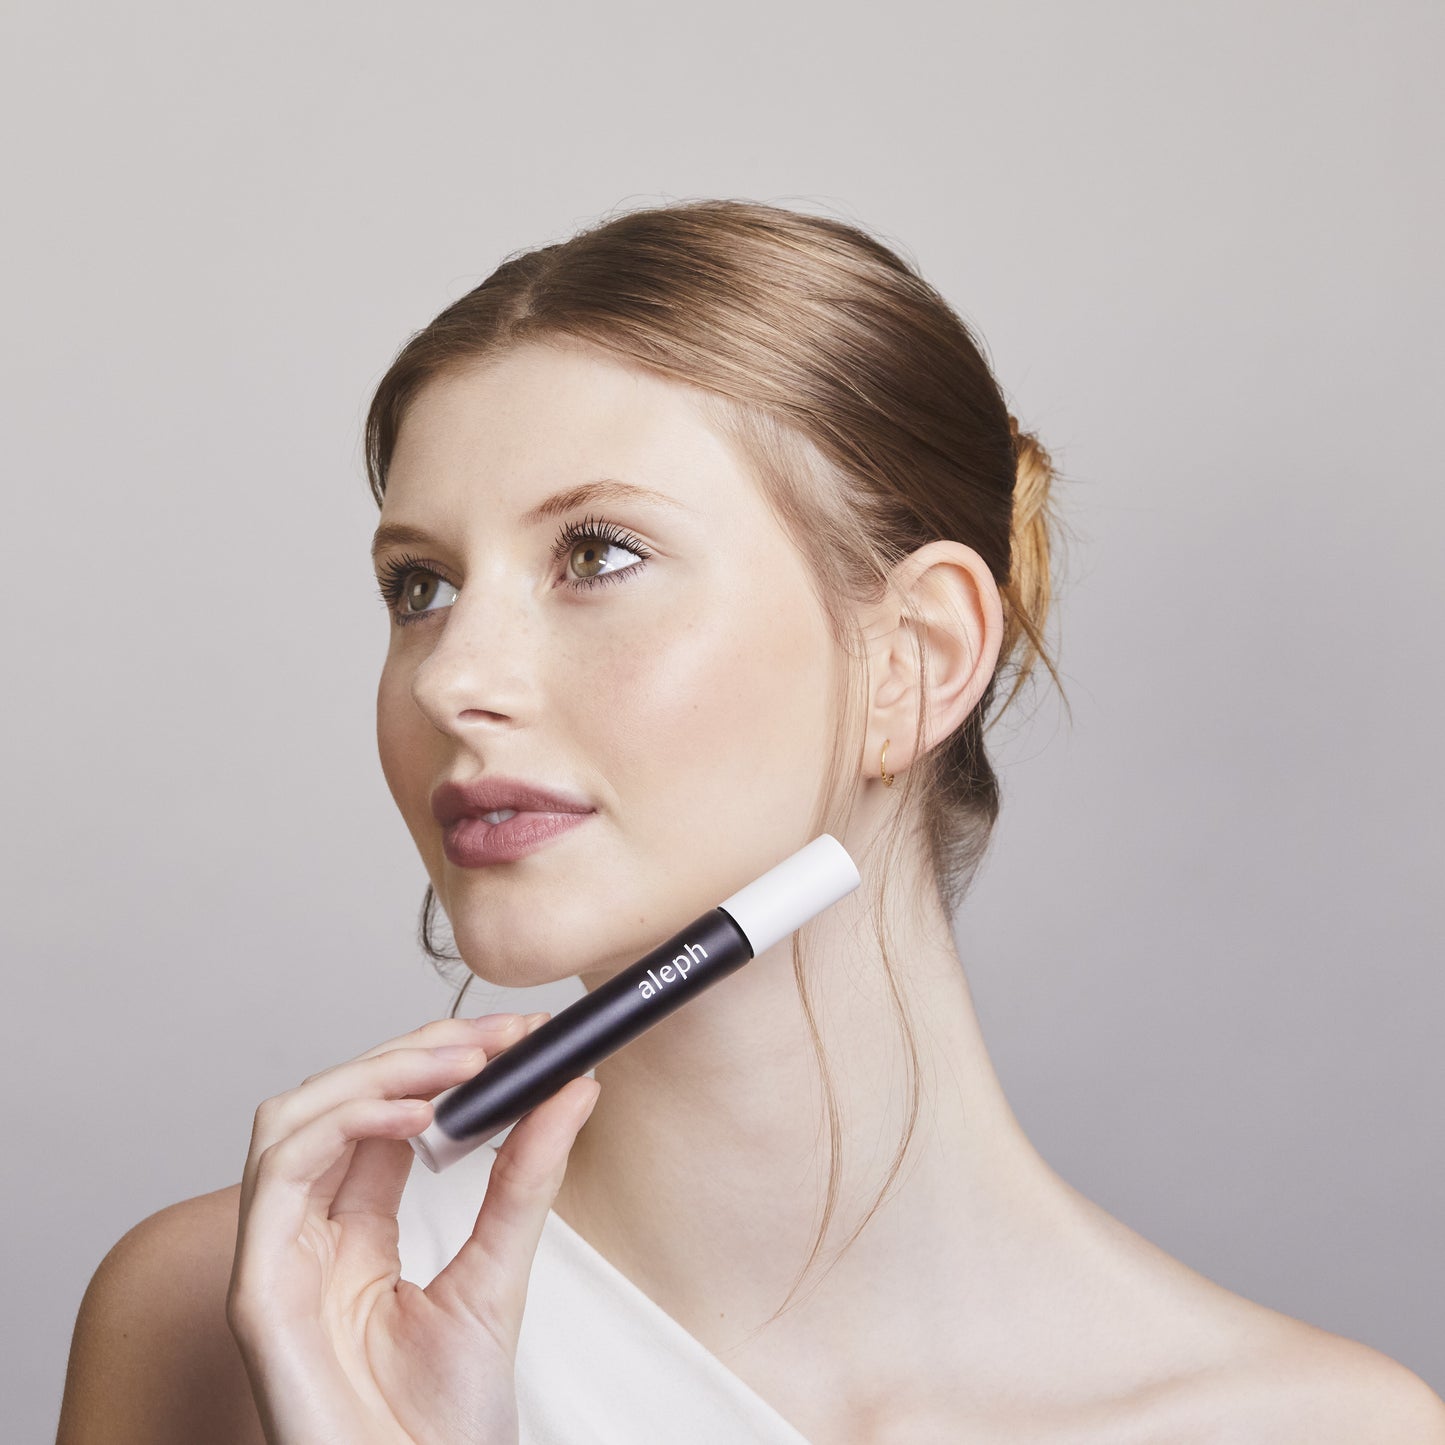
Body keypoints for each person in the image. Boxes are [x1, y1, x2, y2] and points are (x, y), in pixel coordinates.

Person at [56, 199, 1445, 1444]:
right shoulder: (233, 1311)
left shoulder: (1319, 1427)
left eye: (596, 554)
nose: (453, 676)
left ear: (914, 655)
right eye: (418, 584)